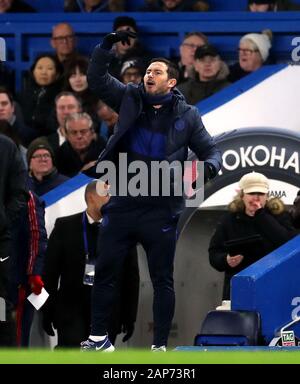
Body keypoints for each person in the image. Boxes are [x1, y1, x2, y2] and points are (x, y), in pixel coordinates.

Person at [80, 30, 222, 352]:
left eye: (156, 71)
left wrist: (207, 169)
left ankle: (159, 347)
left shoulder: (189, 115)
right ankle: (98, 338)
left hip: (161, 208)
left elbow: (211, 153)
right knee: (104, 271)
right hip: (124, 203)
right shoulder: (129, 97)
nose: (149, 75)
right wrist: (106, 45)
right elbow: (97, 78)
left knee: (162, 279)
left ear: (171, 82)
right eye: (147, 71)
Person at [42, 180, 139, 348]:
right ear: (92, 198)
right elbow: (50, 272)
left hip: (107, 312)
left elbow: (131, 277)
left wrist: (130, 316)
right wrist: (47, 311)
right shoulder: (65, 226)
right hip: (71, 310)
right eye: (108, 195)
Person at [209, 172, 297, 301]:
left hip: (273, 284)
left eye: (261, 194)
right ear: (242, 195)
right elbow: (214, 253)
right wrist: (225, 260)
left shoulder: (281, 217)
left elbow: (288, 244)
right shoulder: (229, 220)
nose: (256, 198)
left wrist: (262, 216)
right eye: (251, 193)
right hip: (240, 287)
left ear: (267, 196)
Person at [0, 134, 28, 346]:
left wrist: (3, 221)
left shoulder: (6, 146)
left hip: (0, 242)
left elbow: (20, 192)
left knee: (1, 306)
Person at [56, 112, 106, 178]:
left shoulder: (105, 148)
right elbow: (60, 183)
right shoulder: (60, 154)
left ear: (92, 132)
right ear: (66, 135)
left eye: (83, 131)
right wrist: (81, 173)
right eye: (73, 132)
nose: (79, 136)